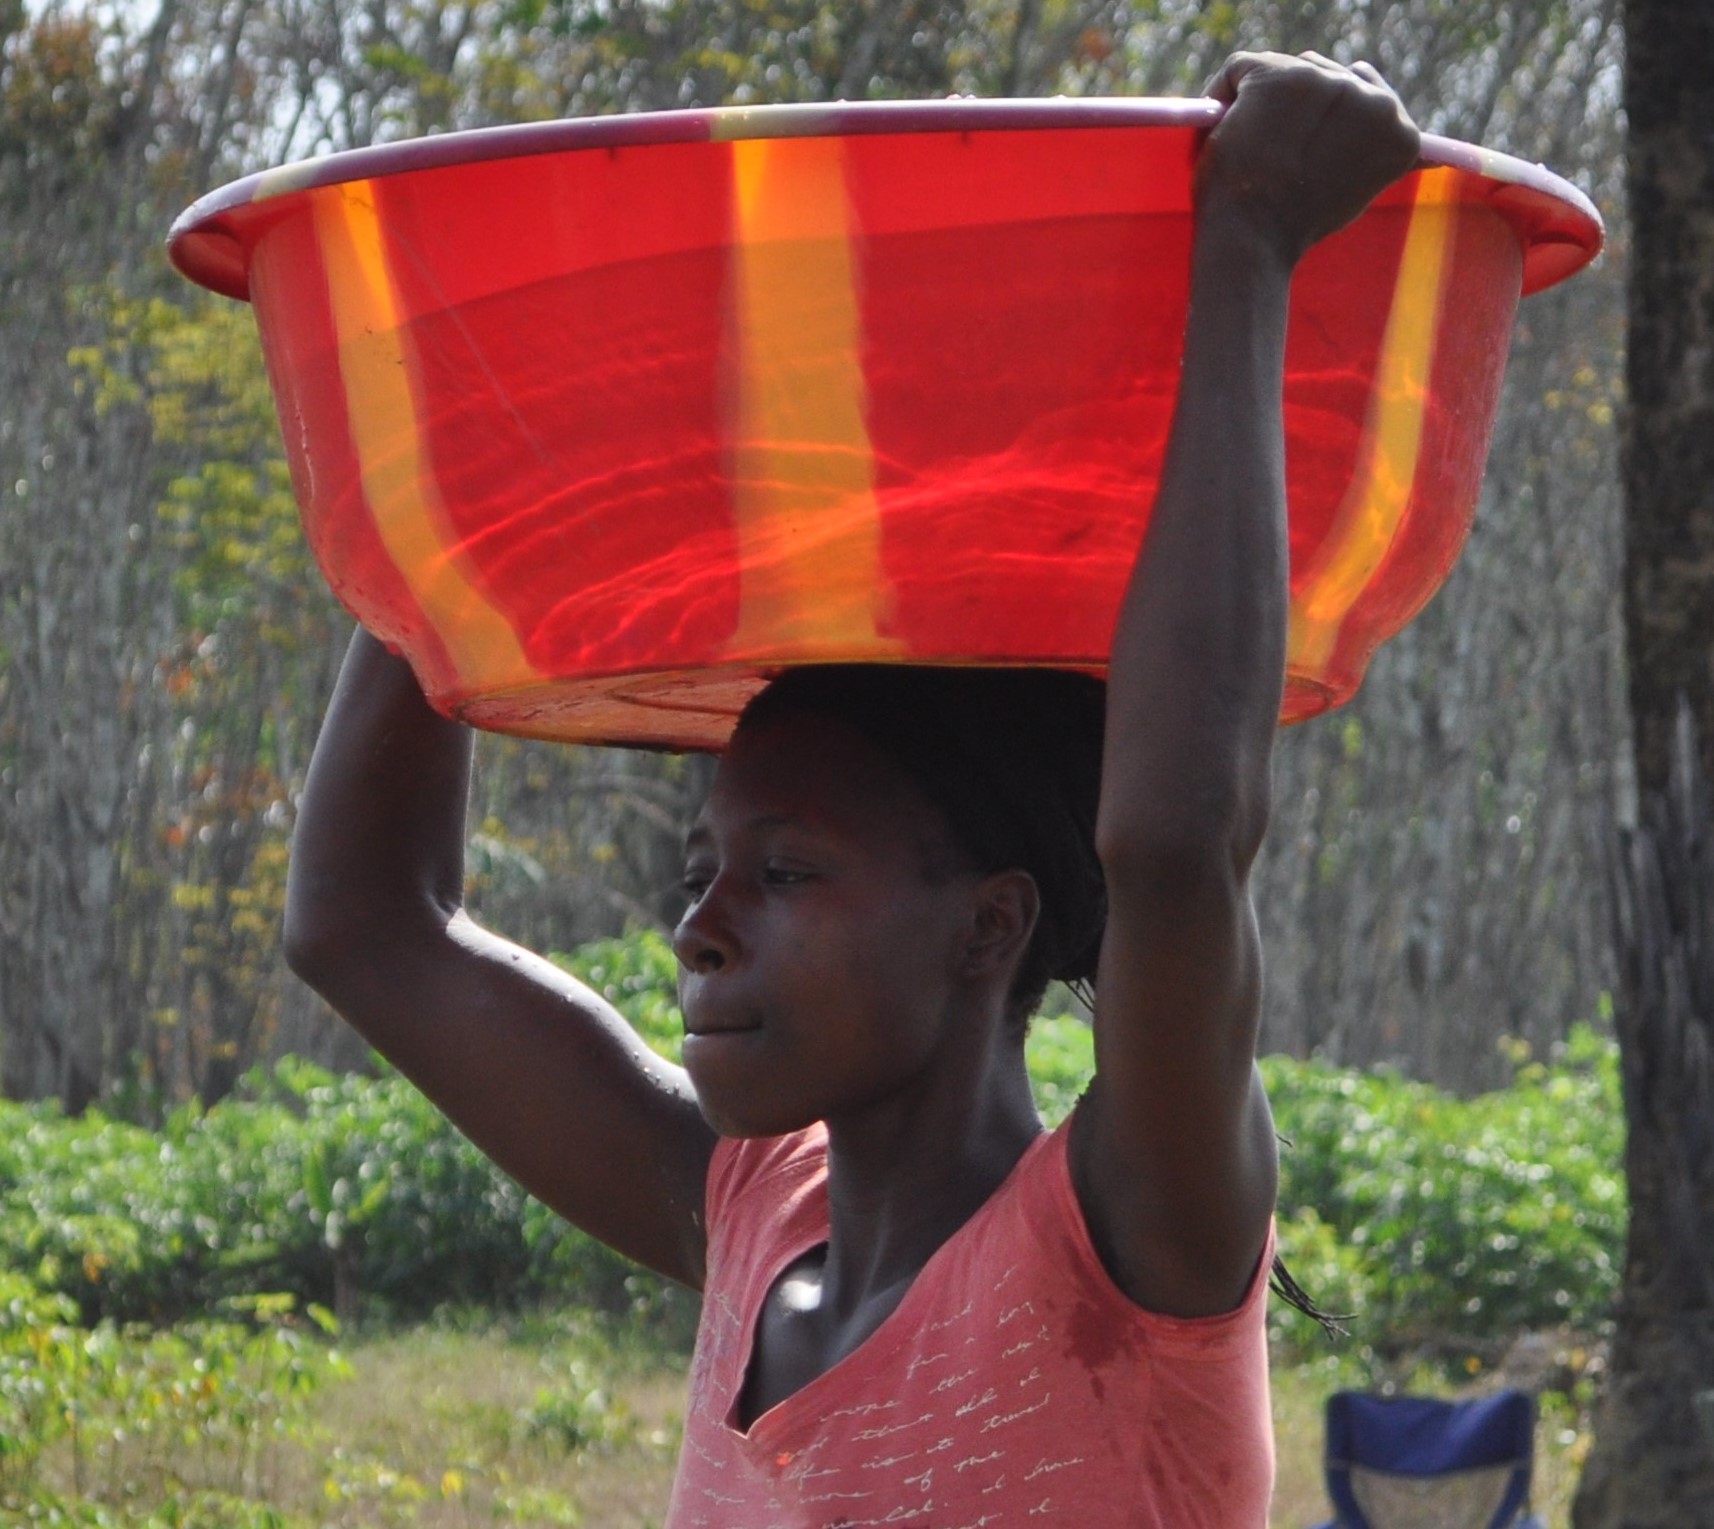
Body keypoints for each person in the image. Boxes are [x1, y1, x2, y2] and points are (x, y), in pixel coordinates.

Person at [283, 50, 1421, 1528]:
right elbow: (364, 924)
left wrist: (1253, 236)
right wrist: (439, 423)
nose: (699, 926)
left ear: (988, 924)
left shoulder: (1134, 1237)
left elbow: (1171, 841)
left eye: (788, 870)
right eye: (708, 866)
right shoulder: (748, 1219)